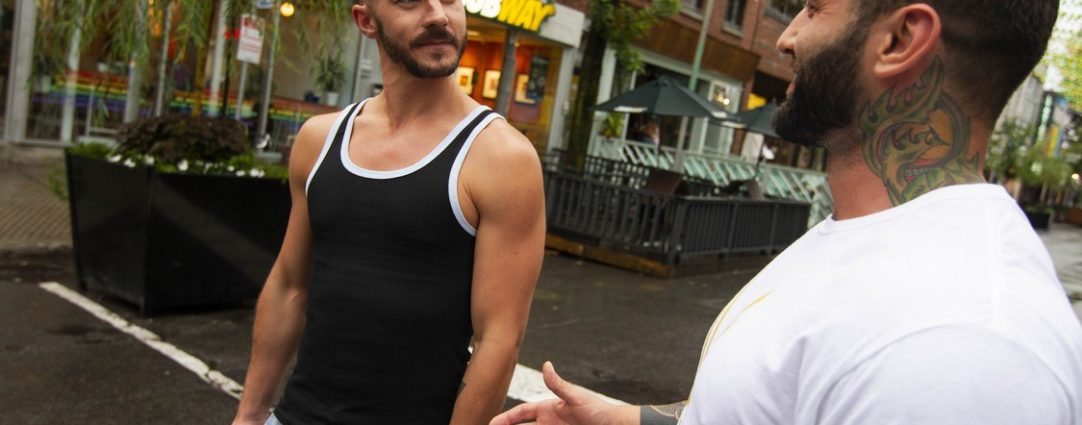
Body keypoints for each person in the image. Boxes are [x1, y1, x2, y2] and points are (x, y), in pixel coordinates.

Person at [492, 0, 1082, 424]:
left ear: (900, 41)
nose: (787, 37)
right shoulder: (873, 235)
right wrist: (630, 420)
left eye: (813, 8)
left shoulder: (959, 349)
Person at [231, 0, 546, 423]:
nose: (438, 15)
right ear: (366, 21)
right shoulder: (320, 140)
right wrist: (249, 415)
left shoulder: (502, 157)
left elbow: (499, 339)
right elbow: (289, 284)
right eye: (409, 1)